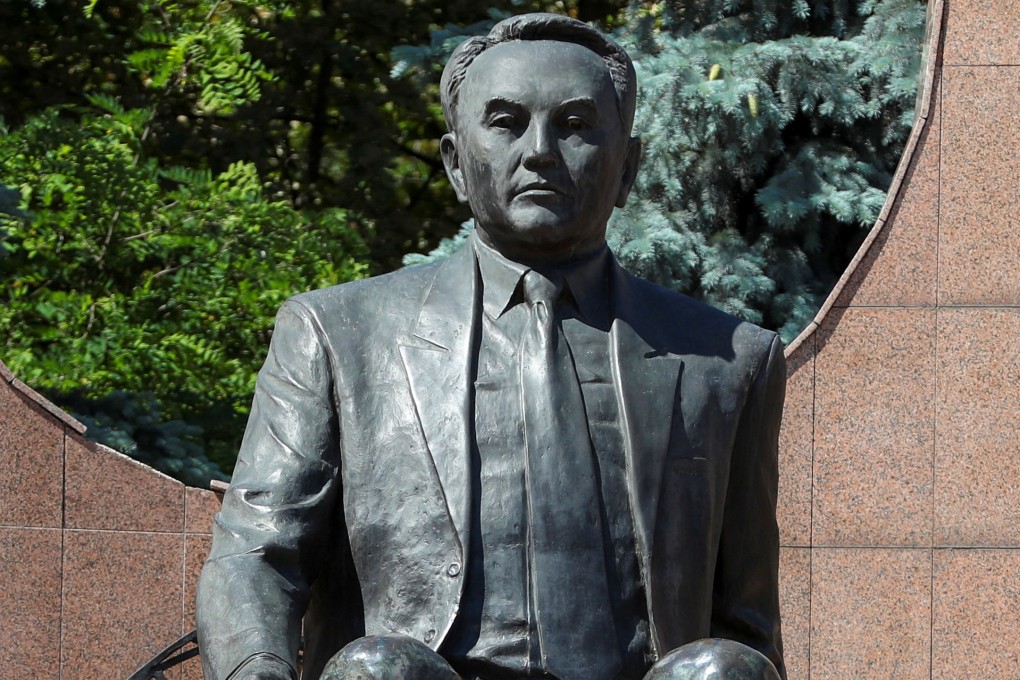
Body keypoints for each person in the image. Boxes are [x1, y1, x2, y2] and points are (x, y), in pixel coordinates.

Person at [196, 13, 787, 680]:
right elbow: (256, 556)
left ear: (627, 168)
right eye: (506, 123)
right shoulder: (336, 334)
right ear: (455, 164)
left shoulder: (728, 361)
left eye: (575, 125)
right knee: (378, 669)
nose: (540, 152)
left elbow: (748, 621)